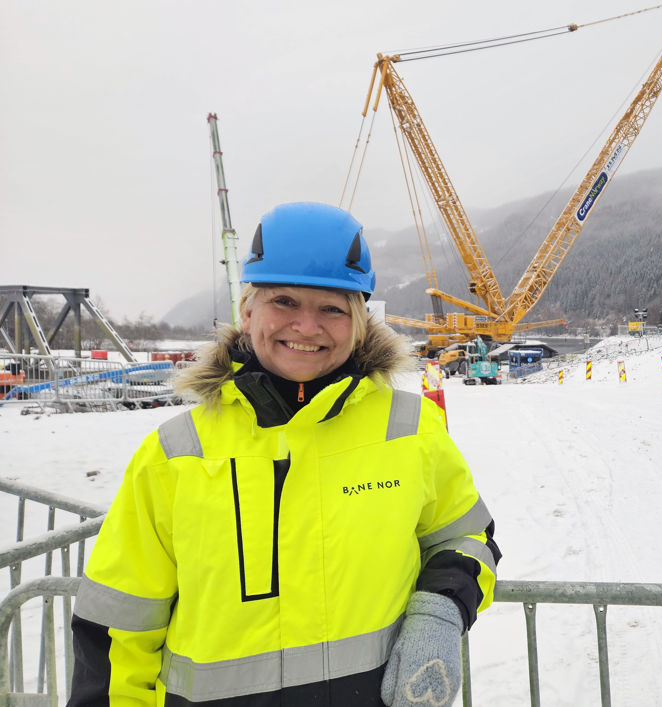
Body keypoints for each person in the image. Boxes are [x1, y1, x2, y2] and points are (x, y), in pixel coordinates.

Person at [68, 202, 500, 706]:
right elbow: (117, 626)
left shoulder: (407, 429)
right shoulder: (176, 453)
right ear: (247, 311)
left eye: (332, 309)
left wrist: (440, 612)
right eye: (285, 302)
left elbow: (468, 537)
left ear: (360, 321)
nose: (307, 326)